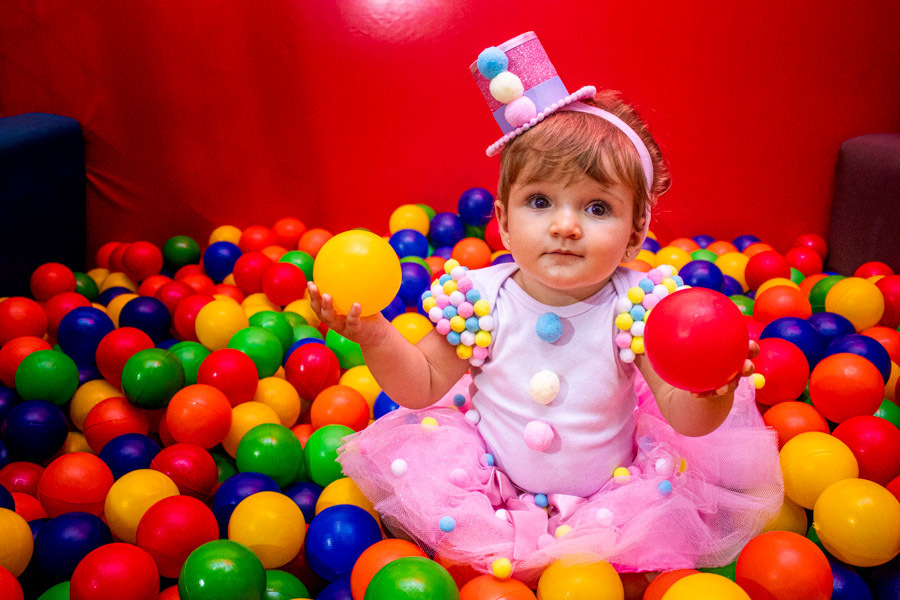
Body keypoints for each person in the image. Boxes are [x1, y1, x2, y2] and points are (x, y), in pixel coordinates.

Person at [307, 32, 783, 586]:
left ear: (635, 235)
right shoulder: (478, 299)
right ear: (505, 223)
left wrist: (709, 389)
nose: (565, 225)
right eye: (540, 201)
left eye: (597, 207)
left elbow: (683, 417)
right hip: (489, 485)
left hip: (609, 501)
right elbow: (422, 385)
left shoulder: (639, 307)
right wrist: (375, 335)